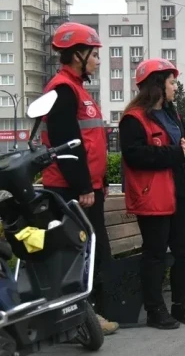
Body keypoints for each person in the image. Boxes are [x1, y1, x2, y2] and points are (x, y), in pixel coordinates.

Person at [39, 22, 118, 335]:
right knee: (78, 255)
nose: (97, 60)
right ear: (77, 55)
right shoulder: (62, 90)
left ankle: (88, 315)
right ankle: (81, 319)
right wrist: (83, 185)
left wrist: (99, 181)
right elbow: (66, 146)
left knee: (93, 252)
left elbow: (91, 143)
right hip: (69, 189)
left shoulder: (78, 89)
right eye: (93, 54)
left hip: (86, 187)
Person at [119, 58, 185, 329]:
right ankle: (155, 309)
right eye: (172, 82)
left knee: (184, 250)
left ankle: (181, 304)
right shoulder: (133, 119)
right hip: (154, 196)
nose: (175, 87)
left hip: (181, 193)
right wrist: (177, 152)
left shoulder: (173, 114)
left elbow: (184, 147)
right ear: (157, 84)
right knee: (155, 254)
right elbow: (136, 155)